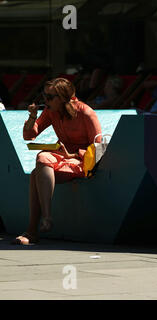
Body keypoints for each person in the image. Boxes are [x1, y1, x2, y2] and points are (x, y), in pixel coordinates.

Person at [12, 78, 102, 245]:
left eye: (50, 97)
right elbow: (29, 135)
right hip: (63, 159)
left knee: (35, 175)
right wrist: (32, 117)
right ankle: (46, 217)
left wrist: (74, 155)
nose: (45, 100)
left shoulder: (86, 113)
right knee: (42, 157)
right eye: (44, 95)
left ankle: (33, 230)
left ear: (62, 97)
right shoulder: (51, 111)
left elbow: (99, 149)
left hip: (82, 163)